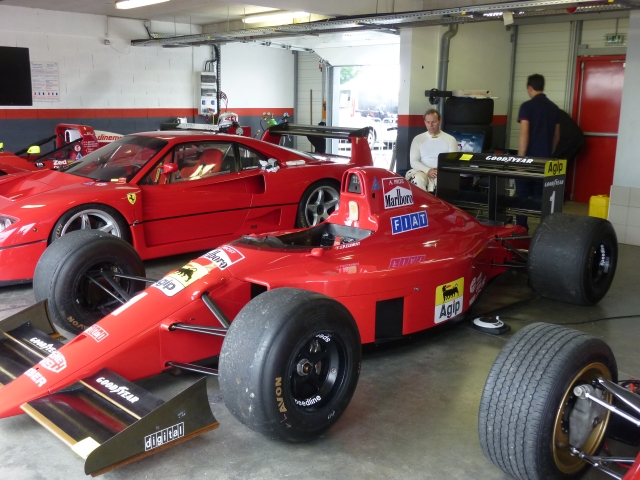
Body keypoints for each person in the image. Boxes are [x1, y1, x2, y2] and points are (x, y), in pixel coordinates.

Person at [516, 73, 560, 229]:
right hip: (545, 162)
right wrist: (549, 153)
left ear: (530, 88)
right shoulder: (554, 108)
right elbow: (556, 135)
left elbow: (524, 134)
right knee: (540, 198)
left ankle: (521, 228)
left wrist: (520, 160)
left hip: (528, 161)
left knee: (521, 197)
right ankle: (543, 231)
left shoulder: (527, 107)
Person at [405, 108, 458, 192]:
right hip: (421, 171)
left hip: (441, 171)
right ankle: (421, 204)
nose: (431, 125)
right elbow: (413, 161)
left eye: (434, 122)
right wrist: (428, 170)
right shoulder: (418, 139)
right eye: (428, 122)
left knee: (443, 181)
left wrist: (440, 169)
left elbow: (453, 162)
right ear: (425, 122)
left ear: (440, 121)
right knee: (418, 178)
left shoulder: (451, 139)